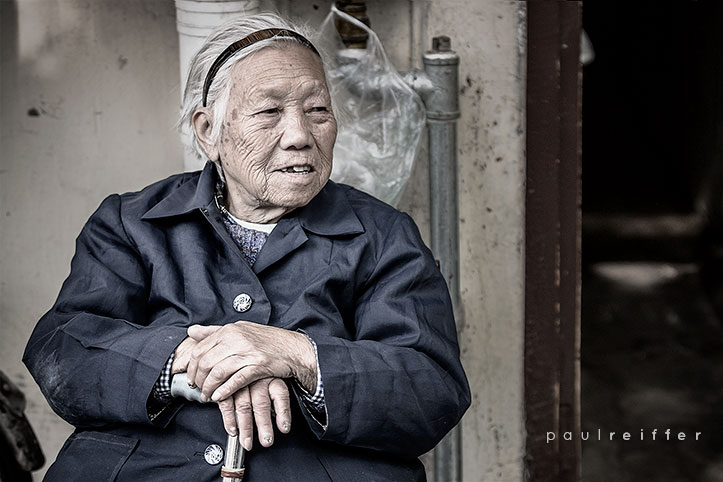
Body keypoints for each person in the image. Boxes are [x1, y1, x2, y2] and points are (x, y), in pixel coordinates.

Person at [23, 12, 470, 482]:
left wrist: (298, 356)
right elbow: (62, 348)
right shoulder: (131, 223)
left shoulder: (383, 236)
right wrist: (193, 360)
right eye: (269, 112)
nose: (300, 136)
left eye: (318, 110)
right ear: (207, 131)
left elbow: (432, 389)